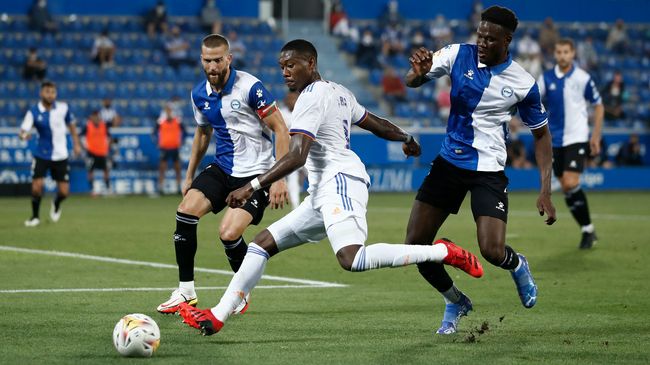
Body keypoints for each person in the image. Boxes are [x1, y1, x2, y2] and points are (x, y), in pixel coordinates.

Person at [177, 39, 484, 336]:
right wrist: (406, 138)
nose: (285, 72)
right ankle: (218, 315)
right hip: (322, 191)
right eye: (282, 66)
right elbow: (374, 122)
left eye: (291, 65)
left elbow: (298, 155)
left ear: (311, 63)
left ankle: (440, 251)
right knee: (260, 244)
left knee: (351, 258)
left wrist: (253, 186)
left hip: (340, 182)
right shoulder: (338, 91)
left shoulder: (310, 97)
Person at [403, 6, 556, 335]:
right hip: (448, 164)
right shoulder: (457, 54)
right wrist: (416, 73)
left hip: (488, 170)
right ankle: (455, 300)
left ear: (507, 39)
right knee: (415, 246)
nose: (482, 42)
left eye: (490, 38)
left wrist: (545, 189)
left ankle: (517, 263)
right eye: (480, 35)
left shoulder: (523, 83)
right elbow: (413, 80)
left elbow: (541, 135)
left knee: (491, 250)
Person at [156, 34, 291, 315]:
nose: (213, 66)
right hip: (223, 168)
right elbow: (203, 133)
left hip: (257, 174)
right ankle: (186, 292)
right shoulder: (199, 94)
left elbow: (281, 129)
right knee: (185, 212)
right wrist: (189, 175)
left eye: (218, 60)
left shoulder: (250, 87)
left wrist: (279, 178)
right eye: (208, 60)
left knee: (228, 233)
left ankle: (240, 292)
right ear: (201, 60)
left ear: (228, 58)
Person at [538, 38, 603, 249]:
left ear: (573, 53)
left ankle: (587, 230)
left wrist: (595, 136)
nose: (562, 55)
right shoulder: (546, 78)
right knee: (567, 188)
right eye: (559, 52)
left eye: (566, 51)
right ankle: (588, 230)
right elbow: (533, 99)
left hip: (577, 137)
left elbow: (599, 105)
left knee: (569, 183)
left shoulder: (583, 78)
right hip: (554, 141)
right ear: (555, 54)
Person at [19, 81, 81, 227]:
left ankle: (56, 202)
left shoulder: (63, 108)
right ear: (41, 93)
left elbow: (72, 126)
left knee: (64, 192)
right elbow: (23, 130)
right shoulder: (34, 111)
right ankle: (35, 217)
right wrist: (24, 136)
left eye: (53, 92)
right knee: (36, 187)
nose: (50, 95)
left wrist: (77, 144)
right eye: (47, 92)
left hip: (61, 155)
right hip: (42, 154)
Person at [278, 91, 304, 210]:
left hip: (308, 153)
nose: (290, 101)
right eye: (289, 99)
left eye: (293, 99)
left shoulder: (305, 112)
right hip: (291, 153)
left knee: (317, 177)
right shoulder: (282, 114)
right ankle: (296, 207)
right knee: (293, 180)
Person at [153, 103, 185, 194]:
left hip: (175, 147)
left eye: (170, 110)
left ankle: (179, 187)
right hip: (165, 148)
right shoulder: (161, 122)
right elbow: (153, 133)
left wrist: (181, 141)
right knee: (162, 168)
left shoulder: (177, 121)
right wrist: (157, 142)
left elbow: (185, 132)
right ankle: (160, 187)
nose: (168, 112)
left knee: (177, 168)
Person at [81, 110, 111, 195]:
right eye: (94, 116)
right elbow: (81, 137)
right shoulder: (87, 126)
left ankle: (108, 189)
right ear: (91, 117)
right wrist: (86, 147)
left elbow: (108, 137)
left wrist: (107, 146)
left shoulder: (103, 125)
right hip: (91, 152)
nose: (96, 118)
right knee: (90, 171)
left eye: (97, 116)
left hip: (102, 152)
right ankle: (92, 190)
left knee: (106, 170)